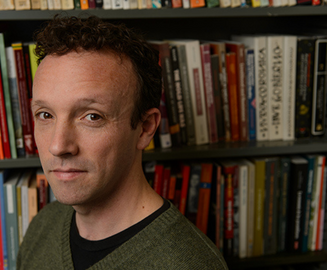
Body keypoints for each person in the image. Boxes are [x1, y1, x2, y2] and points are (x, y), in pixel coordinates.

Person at [17, 15, 228, 270]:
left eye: (92, 116)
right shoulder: (44, 225)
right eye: (46, 115)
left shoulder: (191, 264)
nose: (58, 146)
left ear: (145, 128)